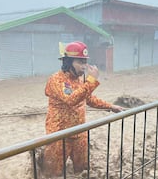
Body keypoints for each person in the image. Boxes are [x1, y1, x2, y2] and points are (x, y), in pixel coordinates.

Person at [43, 41, 123, 177]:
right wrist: (91, 81)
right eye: (80, 62)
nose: (84, 66)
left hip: (79, 133)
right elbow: (71, 99)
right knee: (53, 173)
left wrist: (110, 106)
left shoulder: (79, 80)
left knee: (82, 171)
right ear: (68, 62)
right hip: (59, 134)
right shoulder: (57, 80)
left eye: (85, 62)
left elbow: (89, 99)